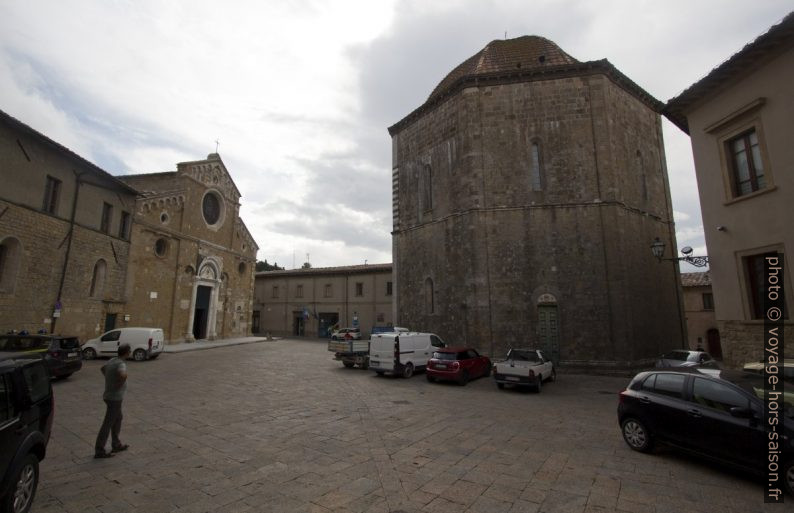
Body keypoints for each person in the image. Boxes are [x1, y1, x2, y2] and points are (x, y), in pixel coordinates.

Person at [94, 343, 131, 458]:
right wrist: (119, 383)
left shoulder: (112, 360)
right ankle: (99, 450)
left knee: (118, 418)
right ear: (126, 353)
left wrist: (109, 379)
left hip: (110, 396)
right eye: (129, 351)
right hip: (115, 398)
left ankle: (116, 443)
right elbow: (123, 375)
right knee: (108, 423)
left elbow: (102, 368)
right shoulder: (121, 364)